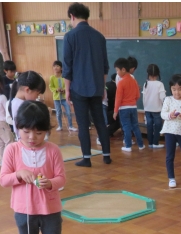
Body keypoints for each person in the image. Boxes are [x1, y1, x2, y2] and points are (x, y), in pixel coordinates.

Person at [0, 101, 71, 234]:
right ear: (17, 128)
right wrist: (18, 174)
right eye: (26, 131)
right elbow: (3, 180)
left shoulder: (53, 150)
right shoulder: (12, 150)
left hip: (50, 211)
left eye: (39, 133)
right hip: (24, 211)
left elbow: (61, 179)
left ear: (47, 131)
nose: (32, 137)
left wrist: (51, 183)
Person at [63, 2, 112, 167]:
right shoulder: (99, 37)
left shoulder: (70, 36)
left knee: (83, 124)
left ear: (72, 16)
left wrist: (67, 90)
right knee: (100, 122)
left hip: (78, 88)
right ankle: (106, 155)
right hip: (97, 87)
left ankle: (86, 158)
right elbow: (105, 66)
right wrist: (102, 87)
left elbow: (67, 67)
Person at [161, 74, 181, 188]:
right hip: (169, 132)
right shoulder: (168, 99)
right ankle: (171, 178)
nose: (177, 92)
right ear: (170, 89)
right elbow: (163, 114)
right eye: (174, 89)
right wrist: (170, 115)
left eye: (180, 89)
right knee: (170, 156)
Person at [113, 57, 145, 152]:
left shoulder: (121, 82)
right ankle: (141, 145)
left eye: (117, 70)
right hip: (133, 107)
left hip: (124, 109)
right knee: (135, 126)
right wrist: (132, 102)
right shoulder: (134, 81)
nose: (117, 72)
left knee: (126, 126)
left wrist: (115, 111)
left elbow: (118, 98)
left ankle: (128, 146)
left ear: (123, 69)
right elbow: (138, 95)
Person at [8, 71, 46, 140]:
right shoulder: (22, 105)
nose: (36, 98)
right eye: (37, 94)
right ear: (27, 90)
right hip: (26, 141)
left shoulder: (16, 101)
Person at [49, 61, 77, 132]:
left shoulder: (64, 77)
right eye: (54, 66)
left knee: (68, 112)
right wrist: (56, 89)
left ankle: (70, 126)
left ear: (61, 68)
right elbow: (51, 87)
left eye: (57, 66)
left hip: (65, 98)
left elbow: (68, 85)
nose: (55, 67)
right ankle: (60, 126)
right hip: (56, 98)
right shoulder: (52, 77)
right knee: (58, 113)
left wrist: (64, 90)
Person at [143, 64, 166, 149]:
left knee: (149, 126)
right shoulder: (160, 84)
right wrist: (165, 107)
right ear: (157, 74)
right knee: (158, 126)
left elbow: (144, 98)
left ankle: (150, 143)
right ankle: (155, 143)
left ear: (148, 74)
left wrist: (145, 108)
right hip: (157, 109)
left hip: (147, 109)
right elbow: (162, 97)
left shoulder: (146, 84)